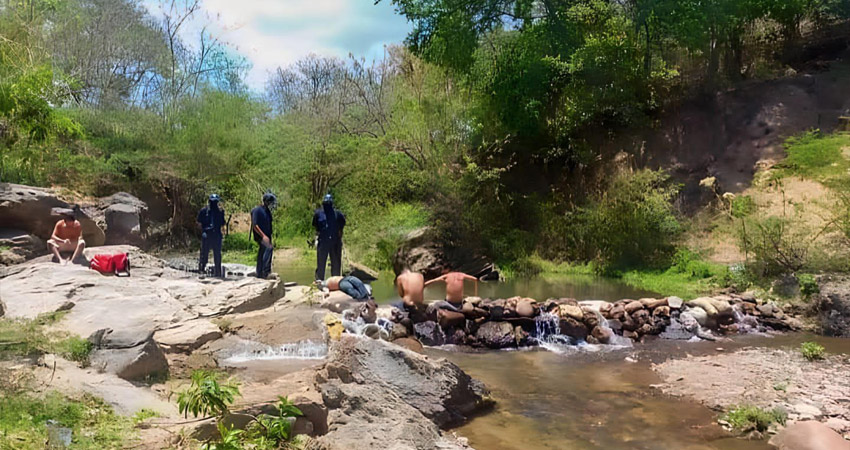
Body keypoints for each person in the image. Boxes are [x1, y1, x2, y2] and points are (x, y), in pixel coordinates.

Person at [312, 194, 346, 281]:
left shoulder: (337, 214)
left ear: (332, 204)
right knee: (321, 263)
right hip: (323, 241)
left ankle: (336, 282)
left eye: (329, 204)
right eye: (326, 203)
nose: (327, 205)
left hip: (335, 242)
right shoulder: (318, 214)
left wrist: (339, 238)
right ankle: (319, 281)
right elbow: (316, 226)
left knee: (336, 264)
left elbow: (341, 227)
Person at [197, 194, 225, 277]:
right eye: (213, 201)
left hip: (216, 234)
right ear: (209, 201)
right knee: (204, 254)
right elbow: (198, 223)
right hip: (207, 234)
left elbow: (223, 223)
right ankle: (201, 270)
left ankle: (218, 272)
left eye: (215, 201)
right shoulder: (204, 211)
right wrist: (203, 231)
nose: (214, 203)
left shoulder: (220, 212)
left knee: (217, 254)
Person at [251, 192, 276, 279]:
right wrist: (263, 236)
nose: (271, 204)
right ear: (266, 201)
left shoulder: (267, 211)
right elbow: (255, 225)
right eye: (270, 202)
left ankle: (260, 272)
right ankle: (266, 272)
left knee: (263, 251)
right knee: (269, 248)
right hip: (260, 235)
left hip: (267, 235)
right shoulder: (257, 210)